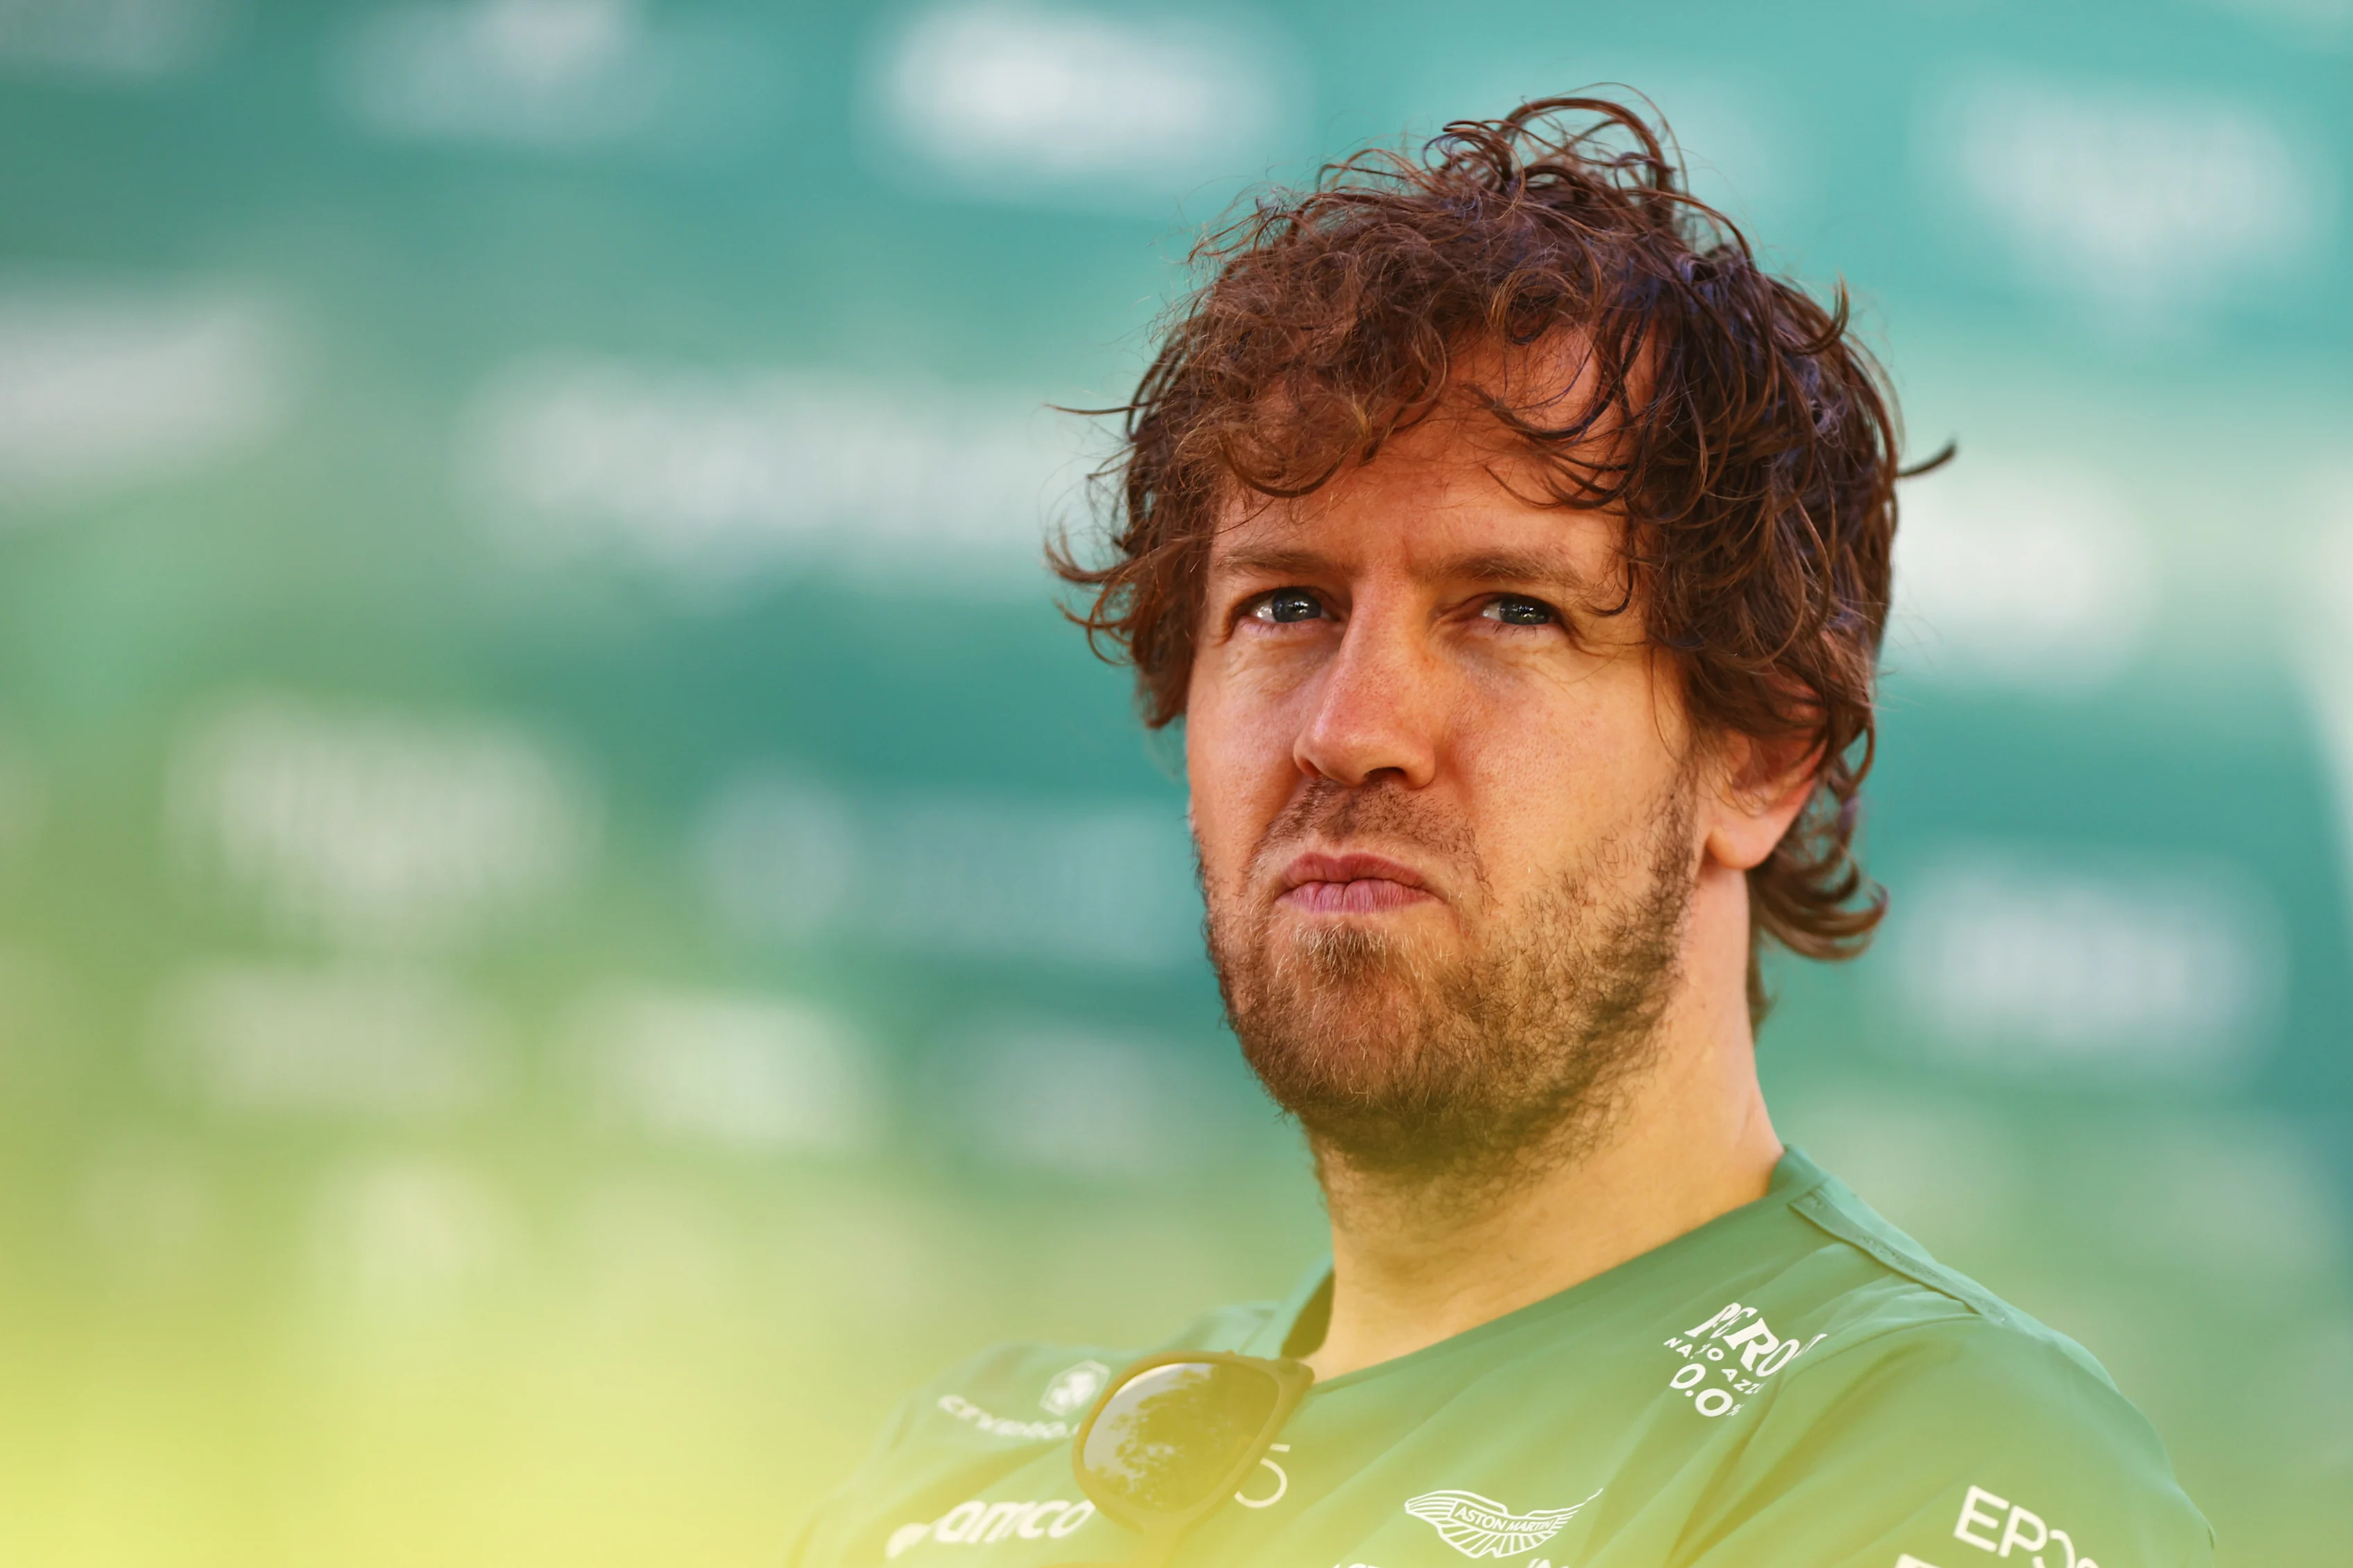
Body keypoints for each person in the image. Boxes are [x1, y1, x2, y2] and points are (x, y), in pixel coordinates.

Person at [788, 97, 2211, 1568]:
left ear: (1761, 754)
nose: (1349, 728)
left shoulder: (1928, 1445)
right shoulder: (968, 1465)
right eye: (1285, 604)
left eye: (1508, 609)